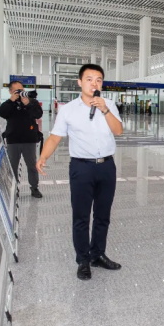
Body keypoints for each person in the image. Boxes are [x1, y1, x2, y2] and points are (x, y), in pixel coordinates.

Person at [36, 64, 123, 281]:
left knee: (103, 215)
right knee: (81, 216)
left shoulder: (109, 104)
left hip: (107, 166)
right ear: (80, 82)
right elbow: (55, 137)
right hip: (81, 168)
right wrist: (43, 157)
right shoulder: (68, 110)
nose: (94, 84)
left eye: (98, 80)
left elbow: (118, 131)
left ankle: (98, 254)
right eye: (89, 79)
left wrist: (105, 109)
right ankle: (83, 260)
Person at [0, 81, 44, 198]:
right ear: (11, 92)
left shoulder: (31, 101)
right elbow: (1, 112)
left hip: (29, 140)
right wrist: (11, 100)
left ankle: (34, 188)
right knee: (13, 166)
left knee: (32, 165)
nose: (20, 93)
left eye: (21, 90)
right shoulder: (9, 104)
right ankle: (13, 188)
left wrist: (28, 104)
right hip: (13, 140)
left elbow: (38, 114)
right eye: (17, 91)